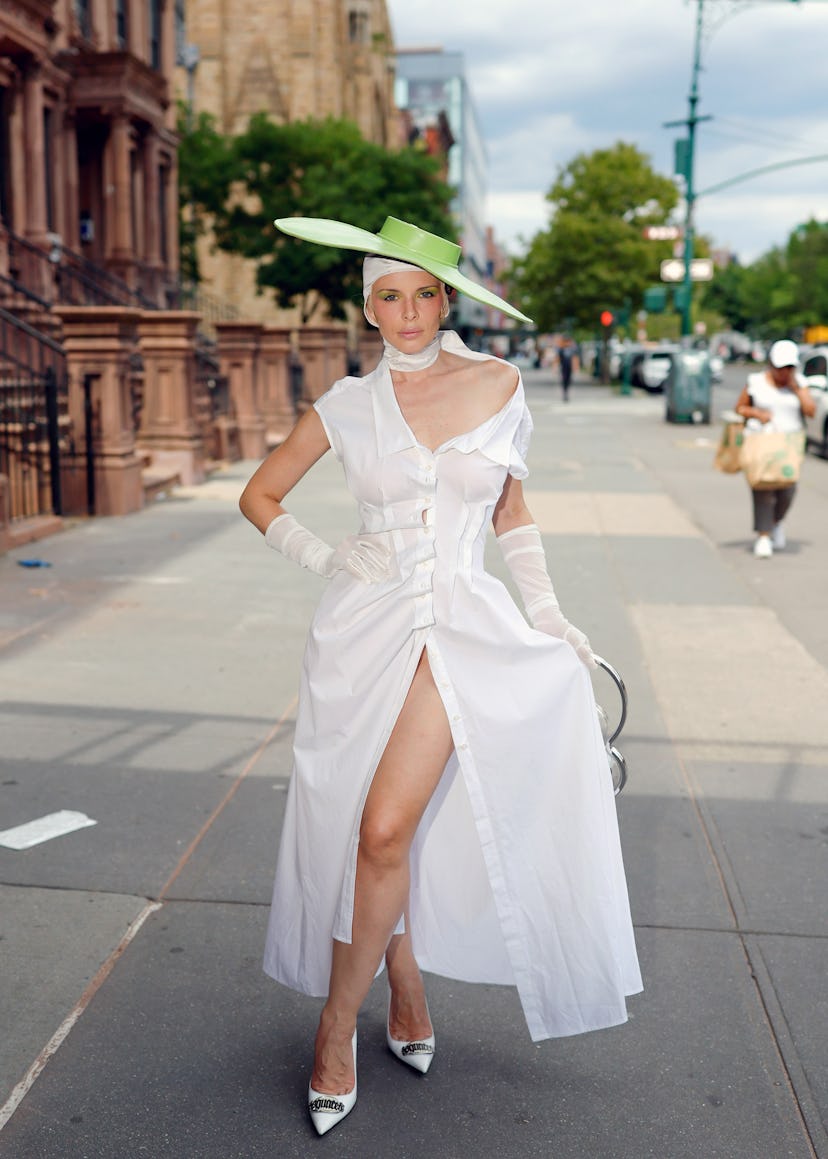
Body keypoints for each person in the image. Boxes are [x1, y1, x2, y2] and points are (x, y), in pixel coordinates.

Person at [239, 216, 641, 1136]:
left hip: (460, 627)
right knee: (369, 822)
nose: (409, 313)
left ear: (447, 300)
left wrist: (551, 619)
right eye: (391, 295)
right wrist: (329, 555)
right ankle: (404, 977)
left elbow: (512, 510)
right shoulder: (344, 405)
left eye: (425, 294)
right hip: (358, 637)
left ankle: (337, 1024)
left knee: (383, 829)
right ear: (368, 305)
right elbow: (258, 495)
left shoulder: (498, 385)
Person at [734, 339, 815, 558]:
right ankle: (763, 535)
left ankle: (776, 522)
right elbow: (740, 407)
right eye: (782, 367)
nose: (785, 372)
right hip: (761, 441)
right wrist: (758, 415)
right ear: (772, 364)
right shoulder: (756, 381)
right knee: (763, 488)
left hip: (790, 443)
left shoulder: (799, 383)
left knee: (788, 489)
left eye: (790, 367)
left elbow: (811, 411)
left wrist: (796, 389)